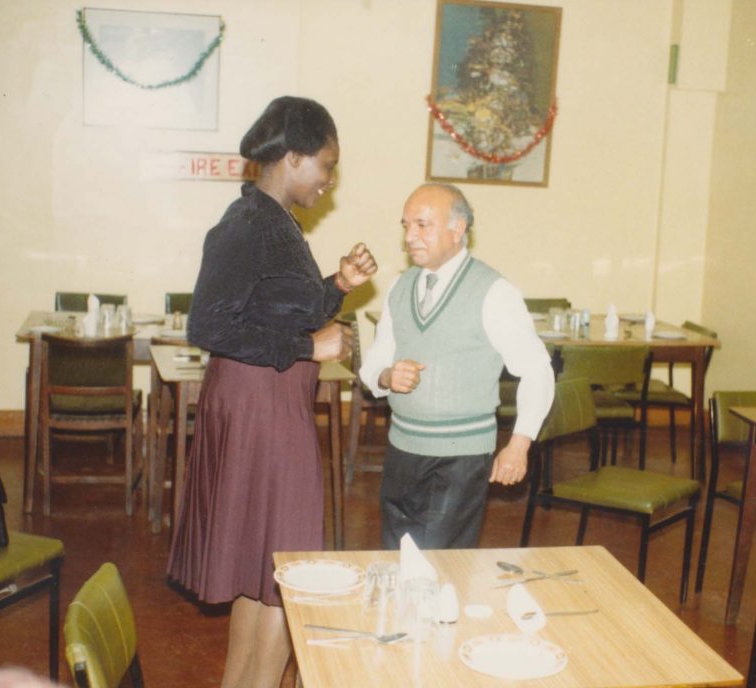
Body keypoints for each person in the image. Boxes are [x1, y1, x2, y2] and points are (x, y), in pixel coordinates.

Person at [166, 96, 377, 688]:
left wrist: (338, 284)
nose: (330, 181)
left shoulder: (276, 219)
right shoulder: (248, 225)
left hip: (269, 402)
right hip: (261, 405)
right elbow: (209, 325)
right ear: (291, 158)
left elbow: (282, 307)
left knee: (270, 569)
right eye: (326, 166)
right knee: (294, 565)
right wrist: (311, 348)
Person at [359, 183, 554, 550]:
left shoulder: (493, 291)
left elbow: (537, 369)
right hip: (402, 451)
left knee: (438, 567)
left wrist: (519, 444)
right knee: (396, 558)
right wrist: (387, 376)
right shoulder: (400, 288)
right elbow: (373, 363)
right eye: (405, 226)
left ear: (457, 229)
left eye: (422, 225)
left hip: (459, 458)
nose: (409, 237)